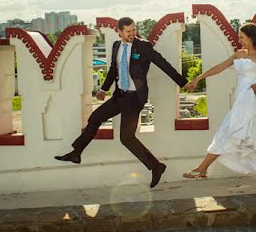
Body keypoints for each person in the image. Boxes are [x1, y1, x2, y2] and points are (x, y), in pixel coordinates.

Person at [54, 17, 188, 188]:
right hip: (119, 96)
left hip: (134, 98)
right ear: (120, 31)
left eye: (134, 30)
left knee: (126, 138)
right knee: (95, 118)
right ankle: (76, 153)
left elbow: (163, 64)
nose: (132, 33)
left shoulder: (143, 46)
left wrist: (183, 82)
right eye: (128, 31)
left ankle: (155, 166)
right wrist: (103, 89)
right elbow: (113, 69)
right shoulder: (116, 46)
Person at [183, 22, 256, 191]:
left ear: (252, 38)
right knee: (251, 138)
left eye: (241, 37)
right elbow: (220, 67)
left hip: (251, 100)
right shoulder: (239, 54)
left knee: (231, 133)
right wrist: (198, 78)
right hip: (240, 100)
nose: (239, 40)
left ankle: (202, 168)